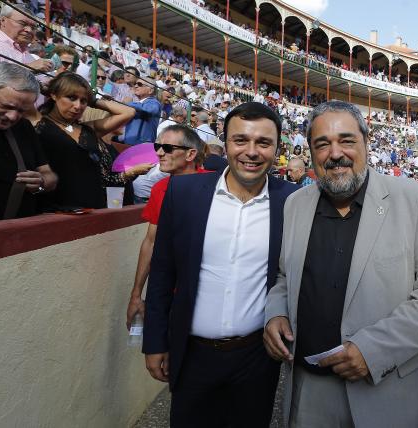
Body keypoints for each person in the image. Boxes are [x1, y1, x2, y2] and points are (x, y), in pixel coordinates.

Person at [264, 101, 418, 427]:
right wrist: (276, 312)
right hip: (309, 390)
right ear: (311, 152)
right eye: (322, 144)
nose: (335, 153)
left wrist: (373, 351)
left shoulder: (415, 199)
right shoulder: (296, 204)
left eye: (347, 140)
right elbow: (286, 276)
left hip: (387, 391)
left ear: (366, 143)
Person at [143, 102, 298, 427]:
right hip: (192, 353)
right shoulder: (183, 192)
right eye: (240, 140)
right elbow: (162, 272)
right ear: (224, 143)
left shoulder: (292, 200)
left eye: (264, 143)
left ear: (276, 148)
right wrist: (156, 342)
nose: (251, 152)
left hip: (257, 357)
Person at [29, 72, 150, 209]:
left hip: (93, 208)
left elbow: (129, 112)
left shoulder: (87, 129)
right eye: (71, 97)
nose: (78, 106)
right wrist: (47, 90)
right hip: (58, 208)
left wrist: (93, 100)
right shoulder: (39, 122)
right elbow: (19, 83)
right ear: (54, 95)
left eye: (83, 101)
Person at [126, 124, 205, 329]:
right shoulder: (160, 188)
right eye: (157, 146)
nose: (159, 153)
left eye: (167, 148)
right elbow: (151, 241)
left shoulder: (216, 186)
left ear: (190, 154)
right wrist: (136, 294)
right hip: (166, 292)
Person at [0, 62, 57, 221]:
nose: (12, 117)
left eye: (21, 111)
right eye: (6, 106)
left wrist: (40, 183)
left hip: (19, 237)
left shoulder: (23, 127)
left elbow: (50, 178)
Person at [0, 5, 54, 78]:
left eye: (33, 27)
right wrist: (29, 68)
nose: (29, 30)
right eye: (23, 23)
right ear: (3, 20)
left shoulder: (32, 57)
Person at [122, 79, 161, 146]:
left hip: (142, 145)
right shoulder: (138, 104)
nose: (136, 86)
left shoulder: (154, 102)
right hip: (130, 143)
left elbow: (150, 109)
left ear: (150, 90)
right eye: (135, 84)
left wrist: (129, 103)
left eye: (140, 84)